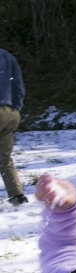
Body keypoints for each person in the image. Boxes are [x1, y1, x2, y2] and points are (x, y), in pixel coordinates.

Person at [0, 48, 27, 206]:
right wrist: (15, 107)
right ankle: (17, 195)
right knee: (4, 158)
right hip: (10, 113)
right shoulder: (7, 56)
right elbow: (18, 84)